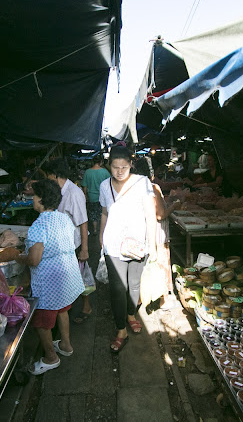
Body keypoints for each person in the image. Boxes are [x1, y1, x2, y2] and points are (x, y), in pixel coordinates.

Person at [15, 179, 84, 375]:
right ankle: (66, 345)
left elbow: (34, 260)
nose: (32, 200)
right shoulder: (63, 218)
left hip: (50, 281)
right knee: (62, 310)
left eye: (34, 196)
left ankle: (51, 357)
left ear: (41, 199)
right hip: (67, 274)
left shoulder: (38, 226)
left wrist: (18, 257)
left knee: (41, 321)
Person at [99, 146, 157, 353]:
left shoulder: (142, 183)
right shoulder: (105, 185)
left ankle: (131, 314)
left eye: (124, 166)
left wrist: (153, 244)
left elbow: (151, 214)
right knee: (116, 288)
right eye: (115, 167)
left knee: (134, 284)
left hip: (138, 243)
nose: (120, 171)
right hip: (113, 244)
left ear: (131, 164)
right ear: (109, 166)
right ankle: (121, 329)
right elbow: (105, 213)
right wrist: (100, 236)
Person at [43, 158, 92, 324]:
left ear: (55, 175)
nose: (47, 180)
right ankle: (68, 309)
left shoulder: (73, 193)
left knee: (81, 277)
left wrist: (84, 249)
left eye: (48, 176)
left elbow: (83, 222)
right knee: (71, 279)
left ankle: (86, 307)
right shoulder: (59, 190)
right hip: (63, 243)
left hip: (75, 243)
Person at [133, 159, 181, 310]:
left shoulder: (133, 187)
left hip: (142, 233)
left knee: (145, 267)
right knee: (162, 264)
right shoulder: (153, 188)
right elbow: (160, 215)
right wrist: (174, 205)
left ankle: (141, 299)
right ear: (150, 172)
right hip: (158, 233)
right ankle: (164, 300)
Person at [81, 154, 110, 235]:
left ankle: (94, 229)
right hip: (103, 197)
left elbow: (84, 186)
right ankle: (103, 229)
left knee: (93, 214)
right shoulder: (105, 172)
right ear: (101, 162)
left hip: (92, 197)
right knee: (103, 213)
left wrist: (85, 196)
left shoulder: (87, 172)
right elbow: (109, 184)